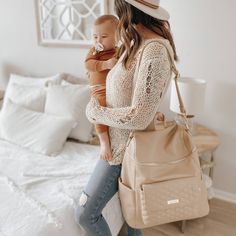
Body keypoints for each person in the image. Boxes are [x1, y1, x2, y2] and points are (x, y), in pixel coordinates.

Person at [75, 0, 178, 235]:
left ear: (127, 10)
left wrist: (95, 112)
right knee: (131, 215)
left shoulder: (154, 49)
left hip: (125, 151)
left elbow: (140, 116)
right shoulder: (136, 44)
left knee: (84, 213)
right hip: (120, 146)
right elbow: (137, 99)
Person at [85, 15, 119, 160]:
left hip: (114, 88)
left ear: (117, 37)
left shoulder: (119, 51)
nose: (98, 40)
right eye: (95, 37)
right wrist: (105, 64)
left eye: (103, 36)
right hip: (98, 89)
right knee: (98, 108)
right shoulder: (94, 51)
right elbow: (88, 64)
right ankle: (104, 142)